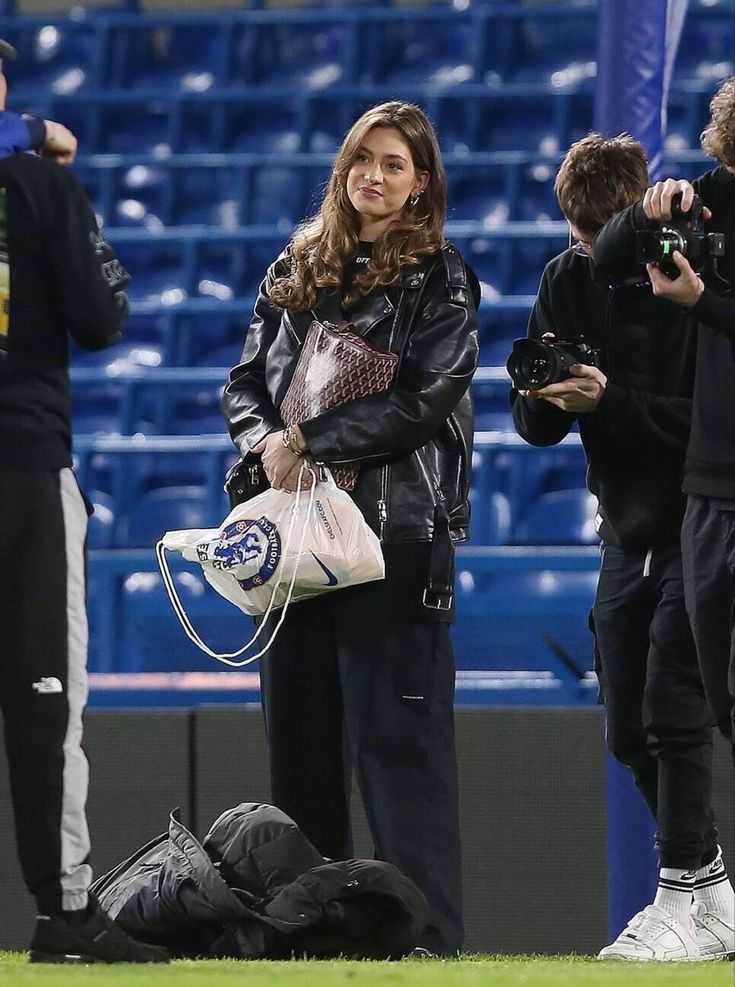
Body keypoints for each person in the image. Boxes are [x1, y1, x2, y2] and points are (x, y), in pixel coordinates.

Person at [222, 100, 479, 956]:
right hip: (295, 544)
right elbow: (244, 382)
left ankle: (429, 940)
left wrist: (309, 442)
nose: (373, 175)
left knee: (400, 756)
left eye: (394, 164)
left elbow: (424, 399)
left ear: (421, 184)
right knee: (299, 752)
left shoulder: (442, 277)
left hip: (393, 541)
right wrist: (267, 443)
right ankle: (313, 936)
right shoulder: (297, 265)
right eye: (362, 158)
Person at [511, 133, 734, 962]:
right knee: (627, 727)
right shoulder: (568, 279)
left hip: (702, 512)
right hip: (627, 527)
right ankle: (706, 890)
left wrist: (608, 403)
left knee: (674, 708)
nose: (592, 252)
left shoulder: (690, 281)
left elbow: (702, 429)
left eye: (604, 233)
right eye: (579, 238)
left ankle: (683, 886)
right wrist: (546, 398)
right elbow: (532, 422)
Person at [0, 40, 168, 964]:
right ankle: (64, 911)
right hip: (20, 466)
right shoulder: (39, 182)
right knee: (43, 700)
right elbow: (103, 317)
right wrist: (60, 185)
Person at [601, 77, 735, 756]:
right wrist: (644, 211)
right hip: (711, 486)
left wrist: (701, 302)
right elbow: (604, 258)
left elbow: (711, 306)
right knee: (722, 699)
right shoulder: (708, 197)